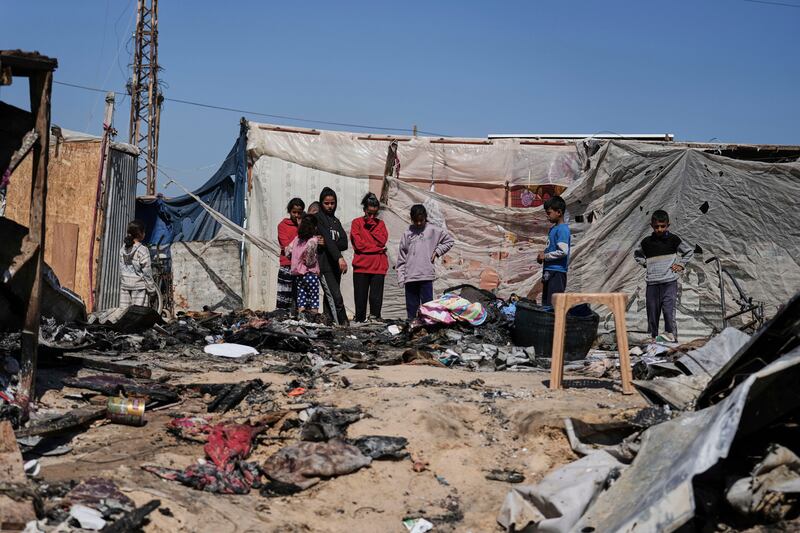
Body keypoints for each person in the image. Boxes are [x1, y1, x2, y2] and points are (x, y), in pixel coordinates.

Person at [634, 209, 694, 342]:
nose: (660, 229)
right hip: (652, 284)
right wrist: (646, 263)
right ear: (652, 226)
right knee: (652, 313)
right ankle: (652, 340)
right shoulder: (646, 242)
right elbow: (637, 254)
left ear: (668, 225)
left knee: (668, 312)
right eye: (656, 227)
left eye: (663, 226)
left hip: (669, 283)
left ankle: (672, 339)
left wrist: (681, 264)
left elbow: (688, 251)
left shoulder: (673, 240)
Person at [396, 204, 454, 320]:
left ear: (425, 218)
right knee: (412, 307)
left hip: (426, 275)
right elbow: (402, 258)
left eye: (421, 221)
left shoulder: (433, 230)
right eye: (416, 221)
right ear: (412, 219)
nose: (418, 224)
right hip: (411, 277)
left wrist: (437, 251)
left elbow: (449, 241)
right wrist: (401, 277)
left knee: (428, 307)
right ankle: (413, 329)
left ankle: (428, 329)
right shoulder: (407, 234)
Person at [350, 193, 388, 322]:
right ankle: (359, 321)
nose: (371, 217)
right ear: (364, 209)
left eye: (374, 214)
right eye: (369, 213)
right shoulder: (356, 223)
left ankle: (375, 321)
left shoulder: (381, 224)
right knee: (360, 300)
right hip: (361, 267)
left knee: (376, 300)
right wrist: (377, 249)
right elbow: (359, 245)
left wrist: (372, 224)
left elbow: (382, 240)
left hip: (378, 267)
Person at [315, 187, 349, 325]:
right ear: (321, 203)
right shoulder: (318, 218)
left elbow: (344, 242)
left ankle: (328, 322)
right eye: (326, 203)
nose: (330, 206)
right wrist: (339, 257)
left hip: (335, 266)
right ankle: (343, 323)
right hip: (325, 265)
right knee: (336, 297)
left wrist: (329, 242)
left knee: (329, 298)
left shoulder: (336, 221)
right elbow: (326, 239)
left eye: (332, 203)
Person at [537, 196, 571, 307]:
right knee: (546, 302)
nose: (547, 216)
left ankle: (555, 324)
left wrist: (545, 256)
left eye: (549, 213)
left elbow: (563, 251)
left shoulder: (562, 229)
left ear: (559, 212)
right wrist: (542, 257)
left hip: (557, 272)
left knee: (554, 304)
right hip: (549, 270)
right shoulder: (553, 229)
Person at [286, 214, 321, 317]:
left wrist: (295, 258)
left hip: (298, 274)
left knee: (301, 297)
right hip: (310, 273)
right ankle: (314, 318)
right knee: (314, 297)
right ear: (314, 227)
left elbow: (288, 251)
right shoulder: (313, 241)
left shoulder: (297, 239)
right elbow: (310, 261)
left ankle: (302, 318)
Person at [119, 220, 156, 307]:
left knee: (125, 314)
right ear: (141, 234)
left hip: (125, 286)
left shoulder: (123, 249)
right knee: (138, 314)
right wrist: (151, 290)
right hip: (139, 288)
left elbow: (121, 268)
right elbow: (147, 272)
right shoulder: (143, 250)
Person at [277, 198, 305, 310]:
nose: (297, 215)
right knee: (285, 294)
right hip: (287, 263)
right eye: (294, 212)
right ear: (289, 211)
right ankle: (282, 316)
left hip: (301, 265)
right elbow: (286, 246)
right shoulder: (283, 225)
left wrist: (301, 227)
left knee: (300, 294)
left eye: (299, 213)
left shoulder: (304, 225)